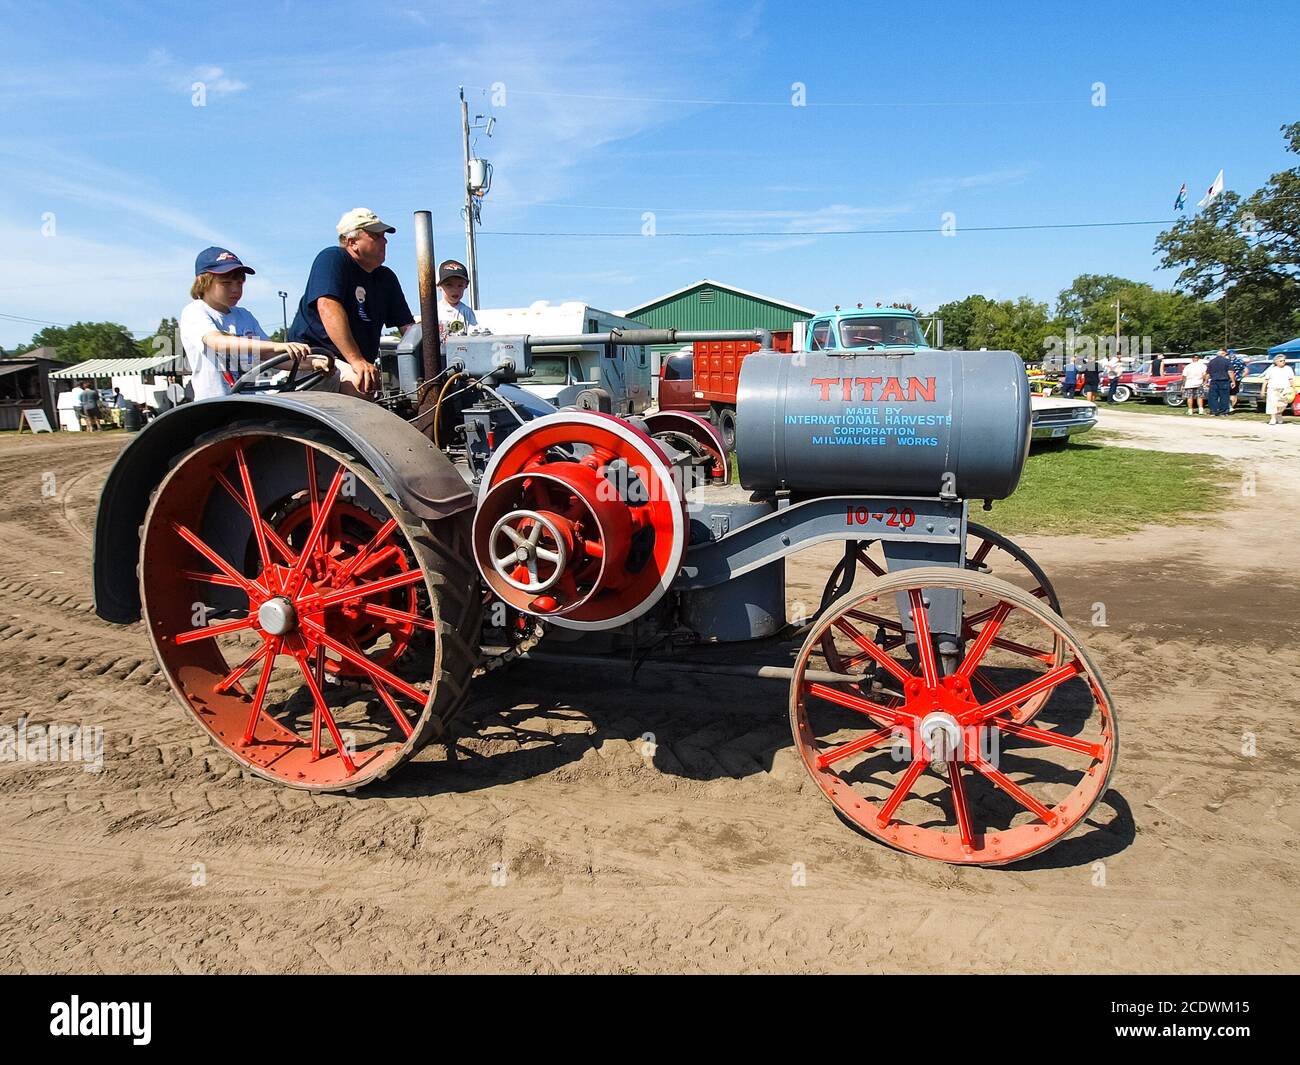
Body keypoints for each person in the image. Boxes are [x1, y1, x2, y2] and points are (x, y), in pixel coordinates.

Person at [289, 208, 415, 396]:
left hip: (353, 364)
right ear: (352, 242)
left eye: (384, 236)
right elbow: (327, 306)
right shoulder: (333, 259)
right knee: (359, 385)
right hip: (315, 359)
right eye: (376, 235)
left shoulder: (386, 278)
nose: (385, 241)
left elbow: (408, 328)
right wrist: (356, 360)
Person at [180, 247, 318, 402]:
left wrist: (315, 364)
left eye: (240, 283)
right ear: (203, 282)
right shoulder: (195, 311)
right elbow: (218, 342)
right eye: (226, 283)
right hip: (213, 405)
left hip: (246, 402)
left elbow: (270, 356)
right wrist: (277, 345)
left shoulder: (244, 316)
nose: (235, 289)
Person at [435, 259, 478, 339]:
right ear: (439, 286)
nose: (455, 290)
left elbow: (474, 337)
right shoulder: (433, 312)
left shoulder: (466, 311)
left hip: (461, 350)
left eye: (460, 285)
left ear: (466, 286)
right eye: (449, 285)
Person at [1262, 354, 1296, 426]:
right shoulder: (1271, 370)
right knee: (1272, 404)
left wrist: (1294, 388)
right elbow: (1265, 381)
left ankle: (1279, 414)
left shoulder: (1288, 369)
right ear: (1276, 362)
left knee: (1283, 404)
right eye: (1281, 361)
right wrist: (1262, 390)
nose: (1283, 362)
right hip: (1273, 389)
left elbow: (1291, 379)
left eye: (1284, 360)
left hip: (1285, 389)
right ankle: (1273, 418)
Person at [1205, 348, 1233, 416]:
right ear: (1223, 353)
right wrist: (1233, 381)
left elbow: (1208, 373)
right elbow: (1230, 371)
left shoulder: (1211, 361)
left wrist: (1206, 381)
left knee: (1213, 397)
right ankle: (1223, 412)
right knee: (1224, 397)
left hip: (1214, 381)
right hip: (1224, 381)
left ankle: (1213, 411)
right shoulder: (1227, 361)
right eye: (1226, 354)